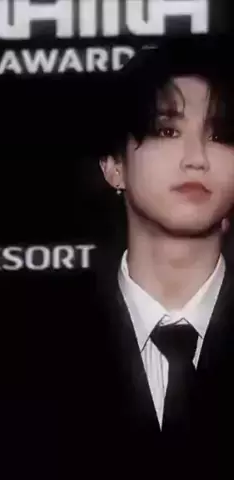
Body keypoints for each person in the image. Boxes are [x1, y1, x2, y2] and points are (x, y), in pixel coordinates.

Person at [95, 38, 234, 476]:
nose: (196, 159)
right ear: (114, 165)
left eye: (219, 136)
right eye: (167, 131)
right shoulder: (34, 348)